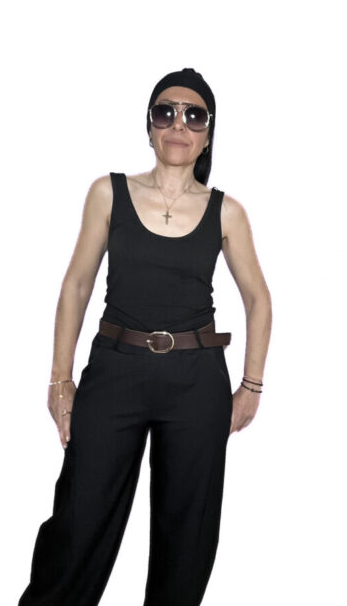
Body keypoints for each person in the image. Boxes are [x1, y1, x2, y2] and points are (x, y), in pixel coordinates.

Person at [17, 67, 272, 606]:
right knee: (78, 519)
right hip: (116, 370)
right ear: (149, 125)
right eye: (166, 112)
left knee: (187, 534)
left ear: (208, 134)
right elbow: (77, 285)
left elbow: (258, 299)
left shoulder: (227, 211)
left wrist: (251, 387)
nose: (179, 124)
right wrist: (60, 380)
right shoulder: (108, 193)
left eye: (194, 116)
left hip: (196, 380)